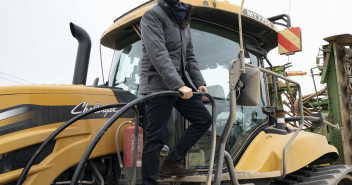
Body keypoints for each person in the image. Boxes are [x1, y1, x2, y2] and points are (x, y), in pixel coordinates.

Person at [139, 0, 212, 184]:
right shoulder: (152, 15)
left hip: (180, 85)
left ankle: (172, 161)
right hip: (159, 85)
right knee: (155, 137)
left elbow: (189, 56)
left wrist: (199, 82)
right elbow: (158, 53)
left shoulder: (184, 19)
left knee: (203, 119)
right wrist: (177, 85)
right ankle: (149, 182)